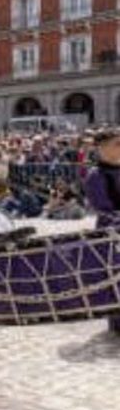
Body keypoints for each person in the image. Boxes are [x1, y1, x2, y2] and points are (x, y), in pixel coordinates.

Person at [82, 128, 120, 334]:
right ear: (101, 148)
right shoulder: (95, 175)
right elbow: (102, 207)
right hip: (111, 232)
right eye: (117, 144)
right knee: (115, 276)